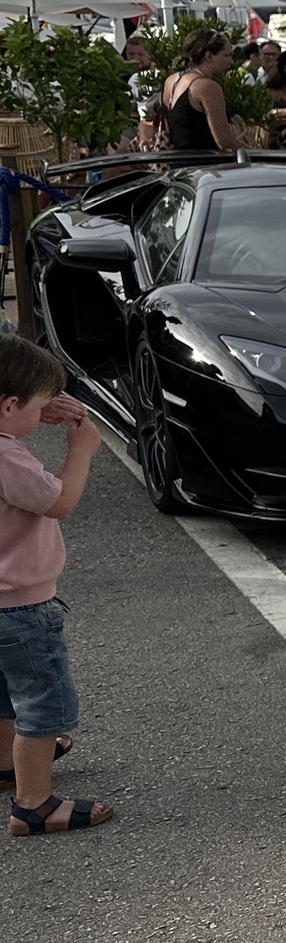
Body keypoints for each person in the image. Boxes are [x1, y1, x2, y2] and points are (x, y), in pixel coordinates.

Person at [0, 336, 108, 836]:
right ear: (9, 405)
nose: (47, 413)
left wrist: (34, 409)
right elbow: (59, 501)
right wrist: (81, 449)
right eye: (41, 405)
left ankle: (7, 762)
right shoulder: (8, 459)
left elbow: (14, 422)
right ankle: (34, 805)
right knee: (43, 704)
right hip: (20, 608)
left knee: (5, 694)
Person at [160, 27, 240, 152]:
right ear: (209, 56)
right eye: (226, 55)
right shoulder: (206, 87)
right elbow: (224, 142)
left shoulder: (171, 81)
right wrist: (256, 153)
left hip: (176, 164)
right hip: (205, 165)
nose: (230, 61)